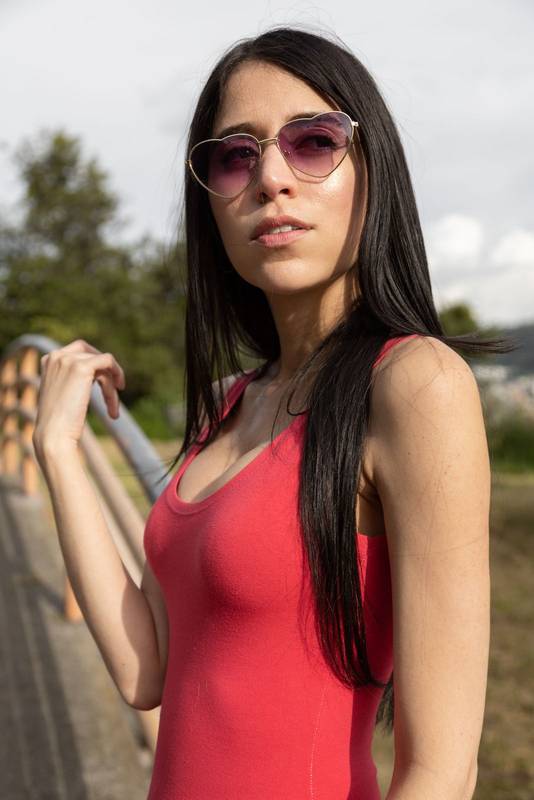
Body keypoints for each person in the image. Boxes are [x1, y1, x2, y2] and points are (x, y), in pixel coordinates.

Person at [33, 25, 513, 800]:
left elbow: (439, 771)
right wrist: (59, 451)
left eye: (314, 142)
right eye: (235, 155)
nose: (271, 179)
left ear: (372, 168)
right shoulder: (229, 402)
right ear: (212, 202)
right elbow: (146, 671)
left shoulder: (415, 385)